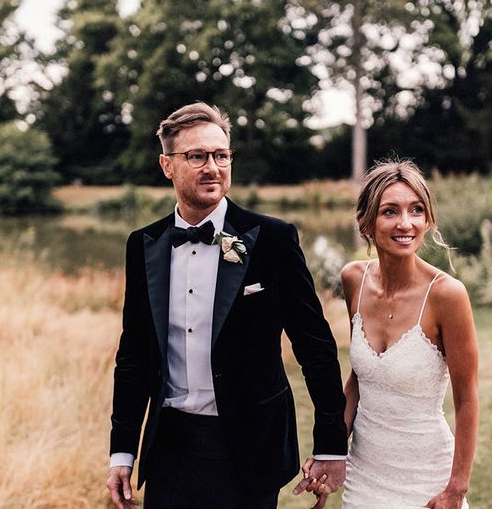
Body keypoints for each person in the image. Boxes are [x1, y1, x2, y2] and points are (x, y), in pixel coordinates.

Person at [106, 102, 348, 509]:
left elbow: (315, 346)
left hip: (250, 444)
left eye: (221, 155)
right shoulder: (144, 244)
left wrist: (330, 446)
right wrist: (122, 453)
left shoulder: (271, 239)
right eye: (196, 156)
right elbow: (133, 357)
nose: (212, 167)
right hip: (169, 447)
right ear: (167, 165)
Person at [325, 158, 479, 508]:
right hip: (364, 475)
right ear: (366, 222)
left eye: (416, 210)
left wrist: (456, 488)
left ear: (428, 219)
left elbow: (467, 398)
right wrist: (331, 453)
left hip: (426, 479)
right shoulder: (354, 279)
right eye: (390, 211)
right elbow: (360, 379)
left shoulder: (447, 295)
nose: (406, 223)